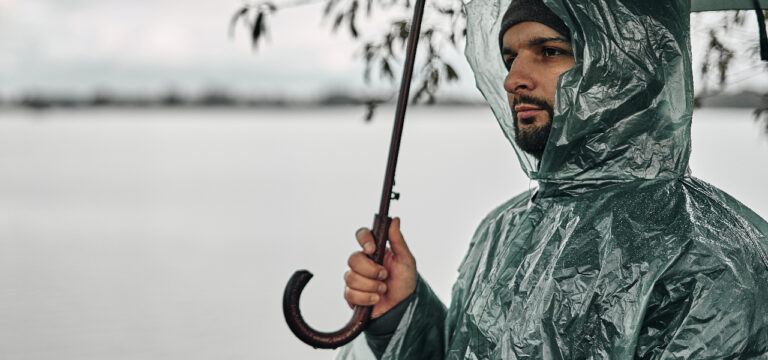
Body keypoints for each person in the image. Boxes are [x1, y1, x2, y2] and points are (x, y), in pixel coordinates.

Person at [338, 0, 768, 358]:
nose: (513, 80)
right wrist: (401, 314)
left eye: (549, 51)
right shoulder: (503, 231)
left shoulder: (714, 260)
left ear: (627, 66)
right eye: (509, 58)